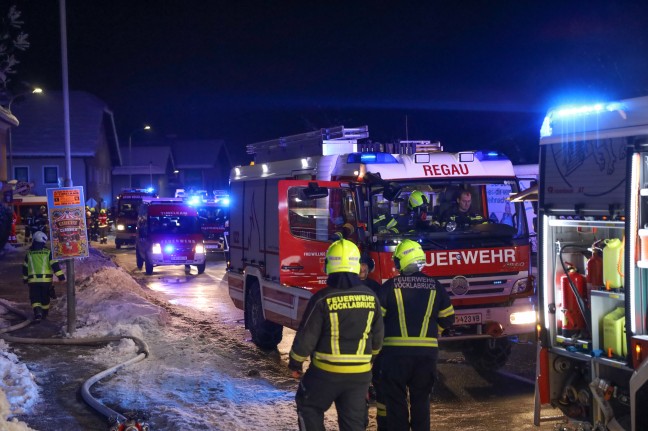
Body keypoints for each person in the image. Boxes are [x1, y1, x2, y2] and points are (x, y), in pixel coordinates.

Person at [288, 239, 384, 431]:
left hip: (325, 374)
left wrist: (295, 363)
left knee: (308, 406)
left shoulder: (322, 298)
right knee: (354, 423)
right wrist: (368, 360)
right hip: (360, 376)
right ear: (356, 265)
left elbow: (307, 337)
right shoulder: (371, 297)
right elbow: (378, 338)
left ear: (328, 265)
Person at [378, 239, 455, 431]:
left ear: (400, 262)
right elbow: (447, 319)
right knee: (421, 403)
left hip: (394, 357)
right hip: (426, 356)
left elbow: (377, 320)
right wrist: (433, 330)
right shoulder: (435, 286)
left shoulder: (389, 287)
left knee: (396, 405)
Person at [358, 251, 386, 430]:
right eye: (360, 265)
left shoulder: (375, 287)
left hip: (371, 334)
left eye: (365, 266)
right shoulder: (348, 287)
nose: (363, 268)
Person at [22, 231, 66, 322]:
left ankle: (38, 313)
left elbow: (25, 267)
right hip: (45, 281)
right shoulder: (48, 253)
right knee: (45, 298)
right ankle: (44, 313)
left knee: (35, 298)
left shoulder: (29, 254)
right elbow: (55, 266)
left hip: (33, 282)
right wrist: (61, 277)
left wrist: (25, 278)